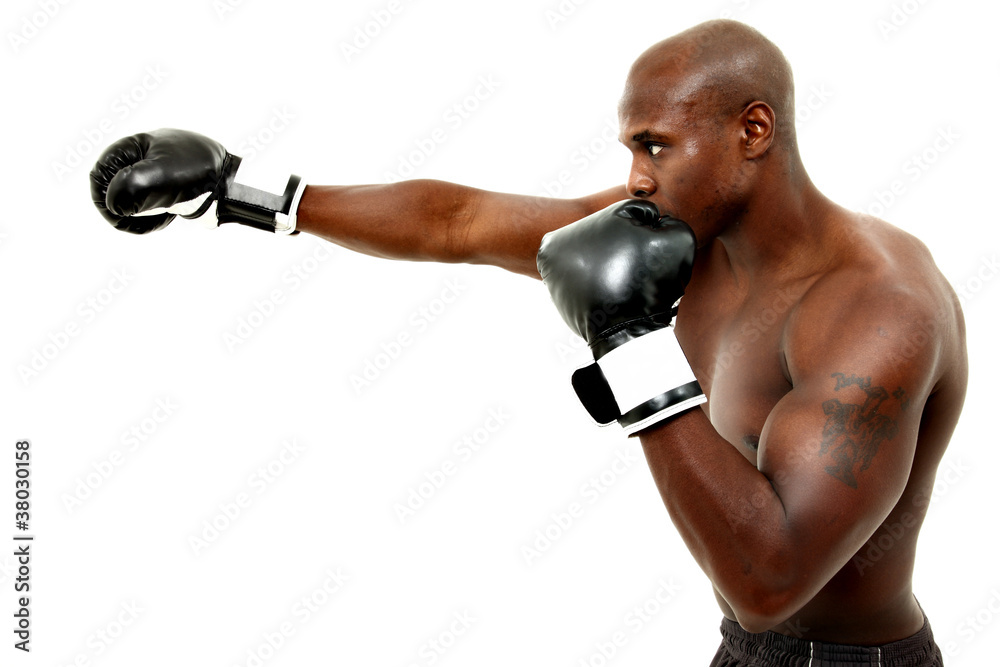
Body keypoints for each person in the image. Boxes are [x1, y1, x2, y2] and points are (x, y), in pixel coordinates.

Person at [89, 18, 963, 667]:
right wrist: (251, 194)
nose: (634, 177)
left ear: (754, 131)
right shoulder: (683, 236)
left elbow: (771, 583)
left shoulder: (877, 309)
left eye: (655, 145)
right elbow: (459, 220)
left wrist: (629, 346)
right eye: (631, 147)